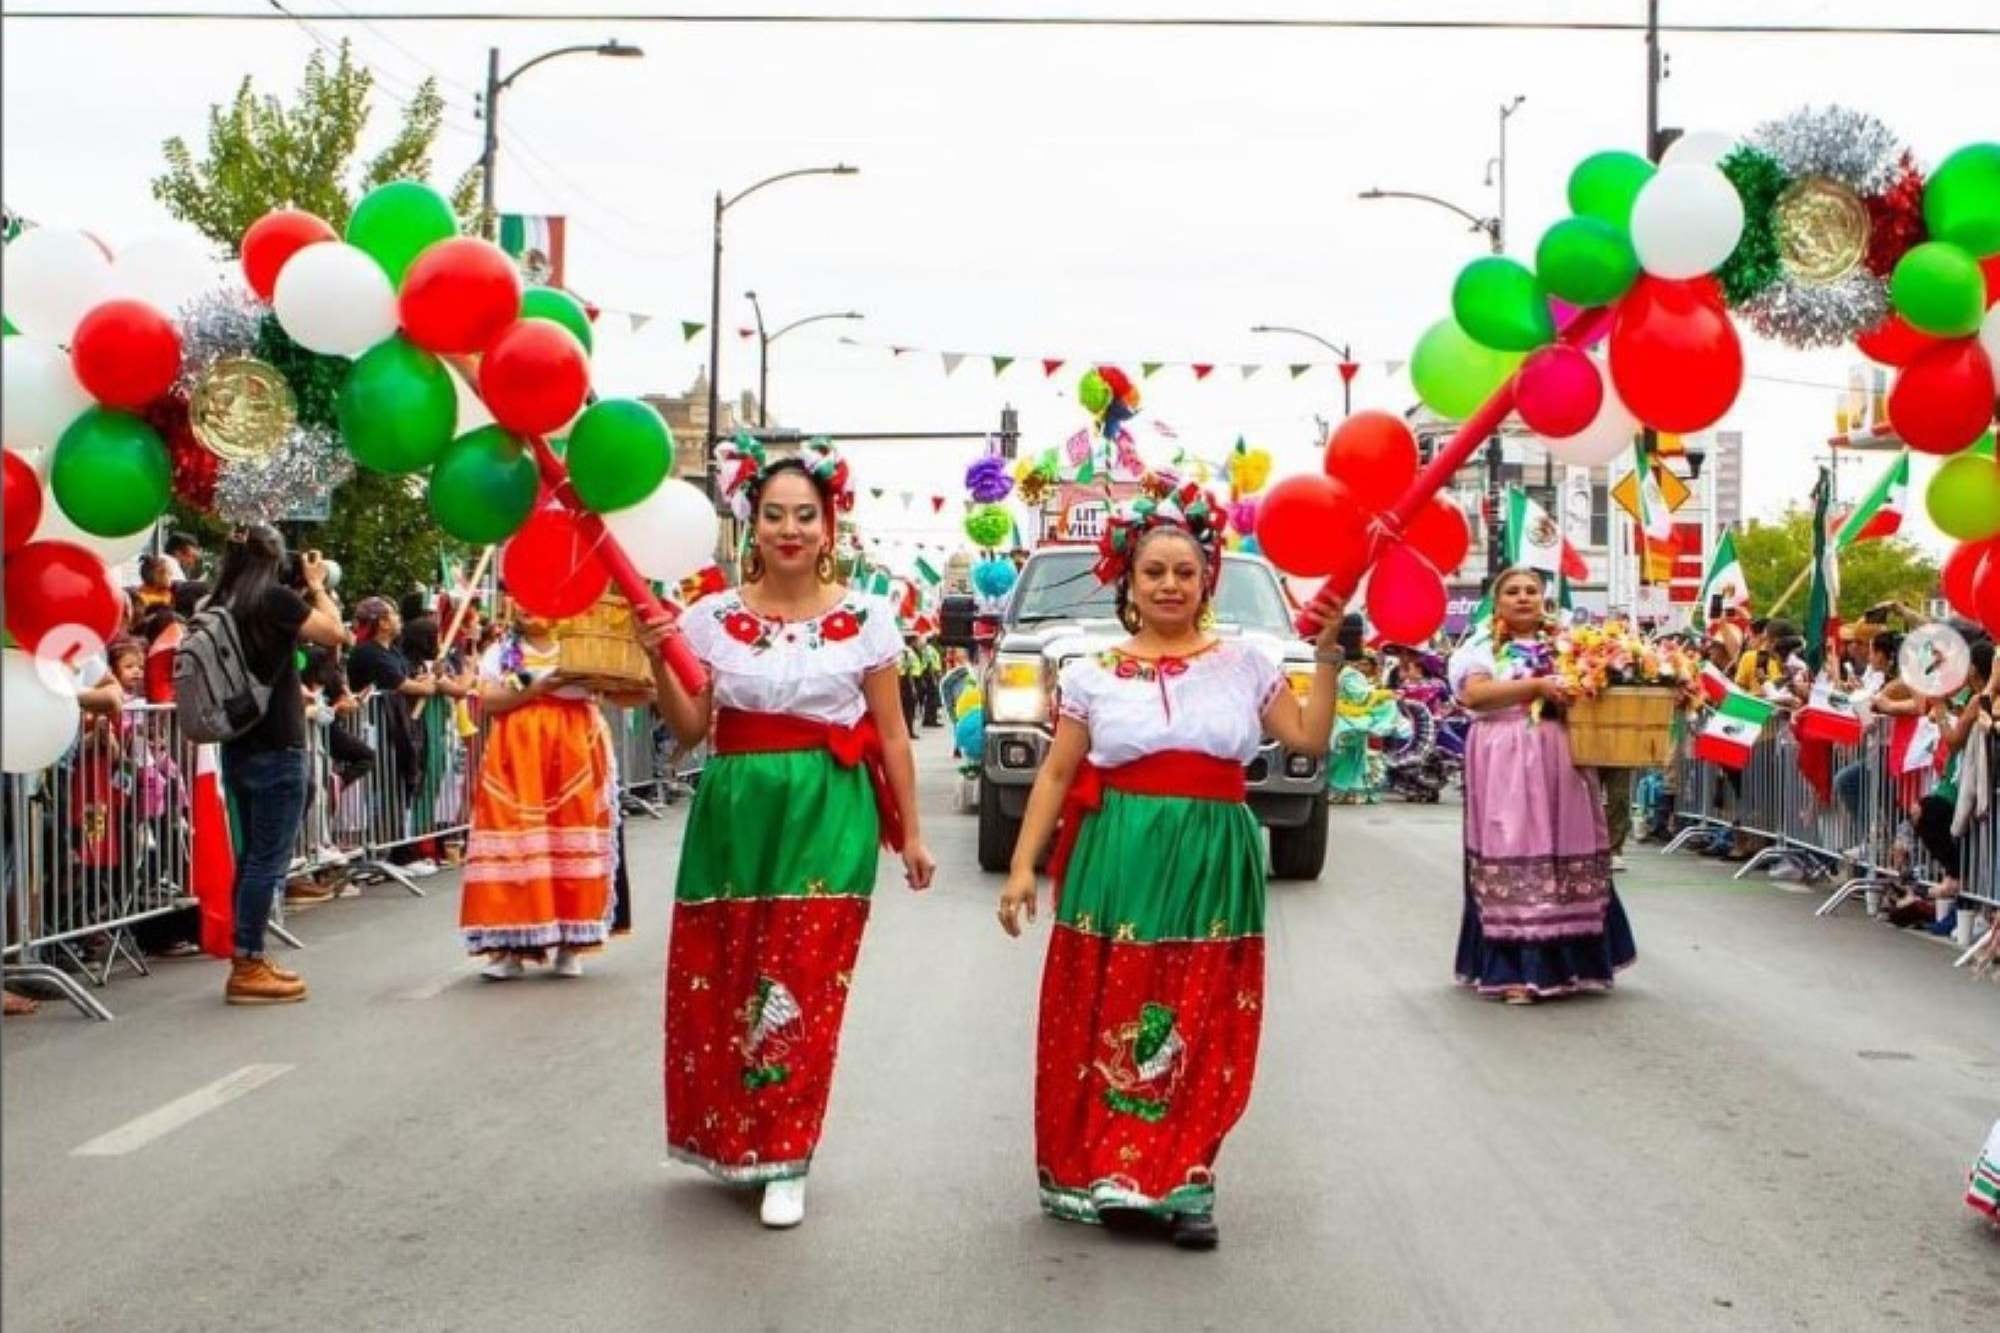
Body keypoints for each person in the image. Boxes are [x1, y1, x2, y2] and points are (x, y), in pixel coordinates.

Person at [996, 476, 1345, 1251]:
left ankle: (1187, 1174)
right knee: (1113, 1002)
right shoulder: (1090, 672)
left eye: (1185, 572)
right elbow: (1056, 773)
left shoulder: (1247, 662)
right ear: (1129, 579)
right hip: (1119, 851)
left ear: (1207, 580)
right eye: (1154, 571)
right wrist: (1024, 867)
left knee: (1200, 1009)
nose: (1170, 585)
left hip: (1213, 852)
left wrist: (1326, 662)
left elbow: (1306, 741)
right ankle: (1116, 1167)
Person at [644, 439, 933, 1231]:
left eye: (806, 514)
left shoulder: (867, 619)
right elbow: (692, 729)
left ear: (830, 524)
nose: (791, 529)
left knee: (802, 978)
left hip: (828, 809)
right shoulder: (710, 618)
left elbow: (894, 735)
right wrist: (657, 662)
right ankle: (736, 1137)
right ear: (751, 523)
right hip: (734, 813)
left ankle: (789, 1153)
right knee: (729, 975)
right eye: (774, 514)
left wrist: (910, 833)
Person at [1447, 566, 1637, 1004]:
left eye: (1531, 590)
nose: (1523, 598)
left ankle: (1575, 962)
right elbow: (1475, 696)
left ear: (1544, 599)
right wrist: (1536, 686)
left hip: (1563, 755)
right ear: (1497, 602)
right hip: (1505, 756)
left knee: (1567, 845)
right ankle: (1514, 969)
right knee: (1515, 845)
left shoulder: (1568, 644)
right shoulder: (1479, 646)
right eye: (1512, 591)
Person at [209, 526, 351, 1004]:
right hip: (277, 743)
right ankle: (248, 964)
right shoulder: (272, 599)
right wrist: (315, 586)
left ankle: (247, 955)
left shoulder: (219, 600)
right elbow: (334, 632)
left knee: (252, 858)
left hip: (238, 741)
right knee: (267, 862)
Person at [458, 604, 619, 977]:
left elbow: (623, 693)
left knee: (569, 840)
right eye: (520, 599)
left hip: (574, 754)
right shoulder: (502, 652)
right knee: (514, 843)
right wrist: (540, 687)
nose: (529, 609)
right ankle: (509, 950)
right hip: (515, 756)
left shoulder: (578, 645)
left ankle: (570, 944)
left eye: (538, 600)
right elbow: (492, 701)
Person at [347, 597, 441, 879]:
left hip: (397, 728)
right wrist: (423, 687)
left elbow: (412, 678)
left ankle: (398, 848)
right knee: (385, 787)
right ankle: (388, 851)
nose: (399, 619)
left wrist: (426, 681)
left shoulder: (393, 652)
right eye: (394, 615)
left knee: (400, 786)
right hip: (375, 728)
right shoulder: (369, 653)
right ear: (382, 623)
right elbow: (401, 684)